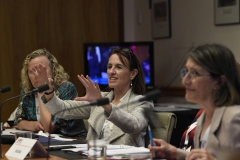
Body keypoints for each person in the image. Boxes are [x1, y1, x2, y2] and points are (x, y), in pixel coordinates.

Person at [35, 48, 154, 147]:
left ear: (133, 74)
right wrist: (48, 91)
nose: (111, 72)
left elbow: (133, 125)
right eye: (109, 66)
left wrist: (104, 103)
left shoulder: (144, 102)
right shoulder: (100, 97)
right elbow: (62, 109)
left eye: (119, 67)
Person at [149, 44, 240, 160]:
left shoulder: (234, 118)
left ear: (218, 81)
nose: (184, 80)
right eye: (186, 72)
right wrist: (176, 153)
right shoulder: (203, 117)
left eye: (195, 73)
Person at [14, 48, 87, 138]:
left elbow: (49, 127)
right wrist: (33, 125)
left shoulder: (66, 88)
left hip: (73, 143)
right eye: (32, 71)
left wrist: (41, 91)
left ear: (53, 70)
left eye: (42, 70)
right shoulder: (27, 91)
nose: (37, 75)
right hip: (42, 141)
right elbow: (18, 121)